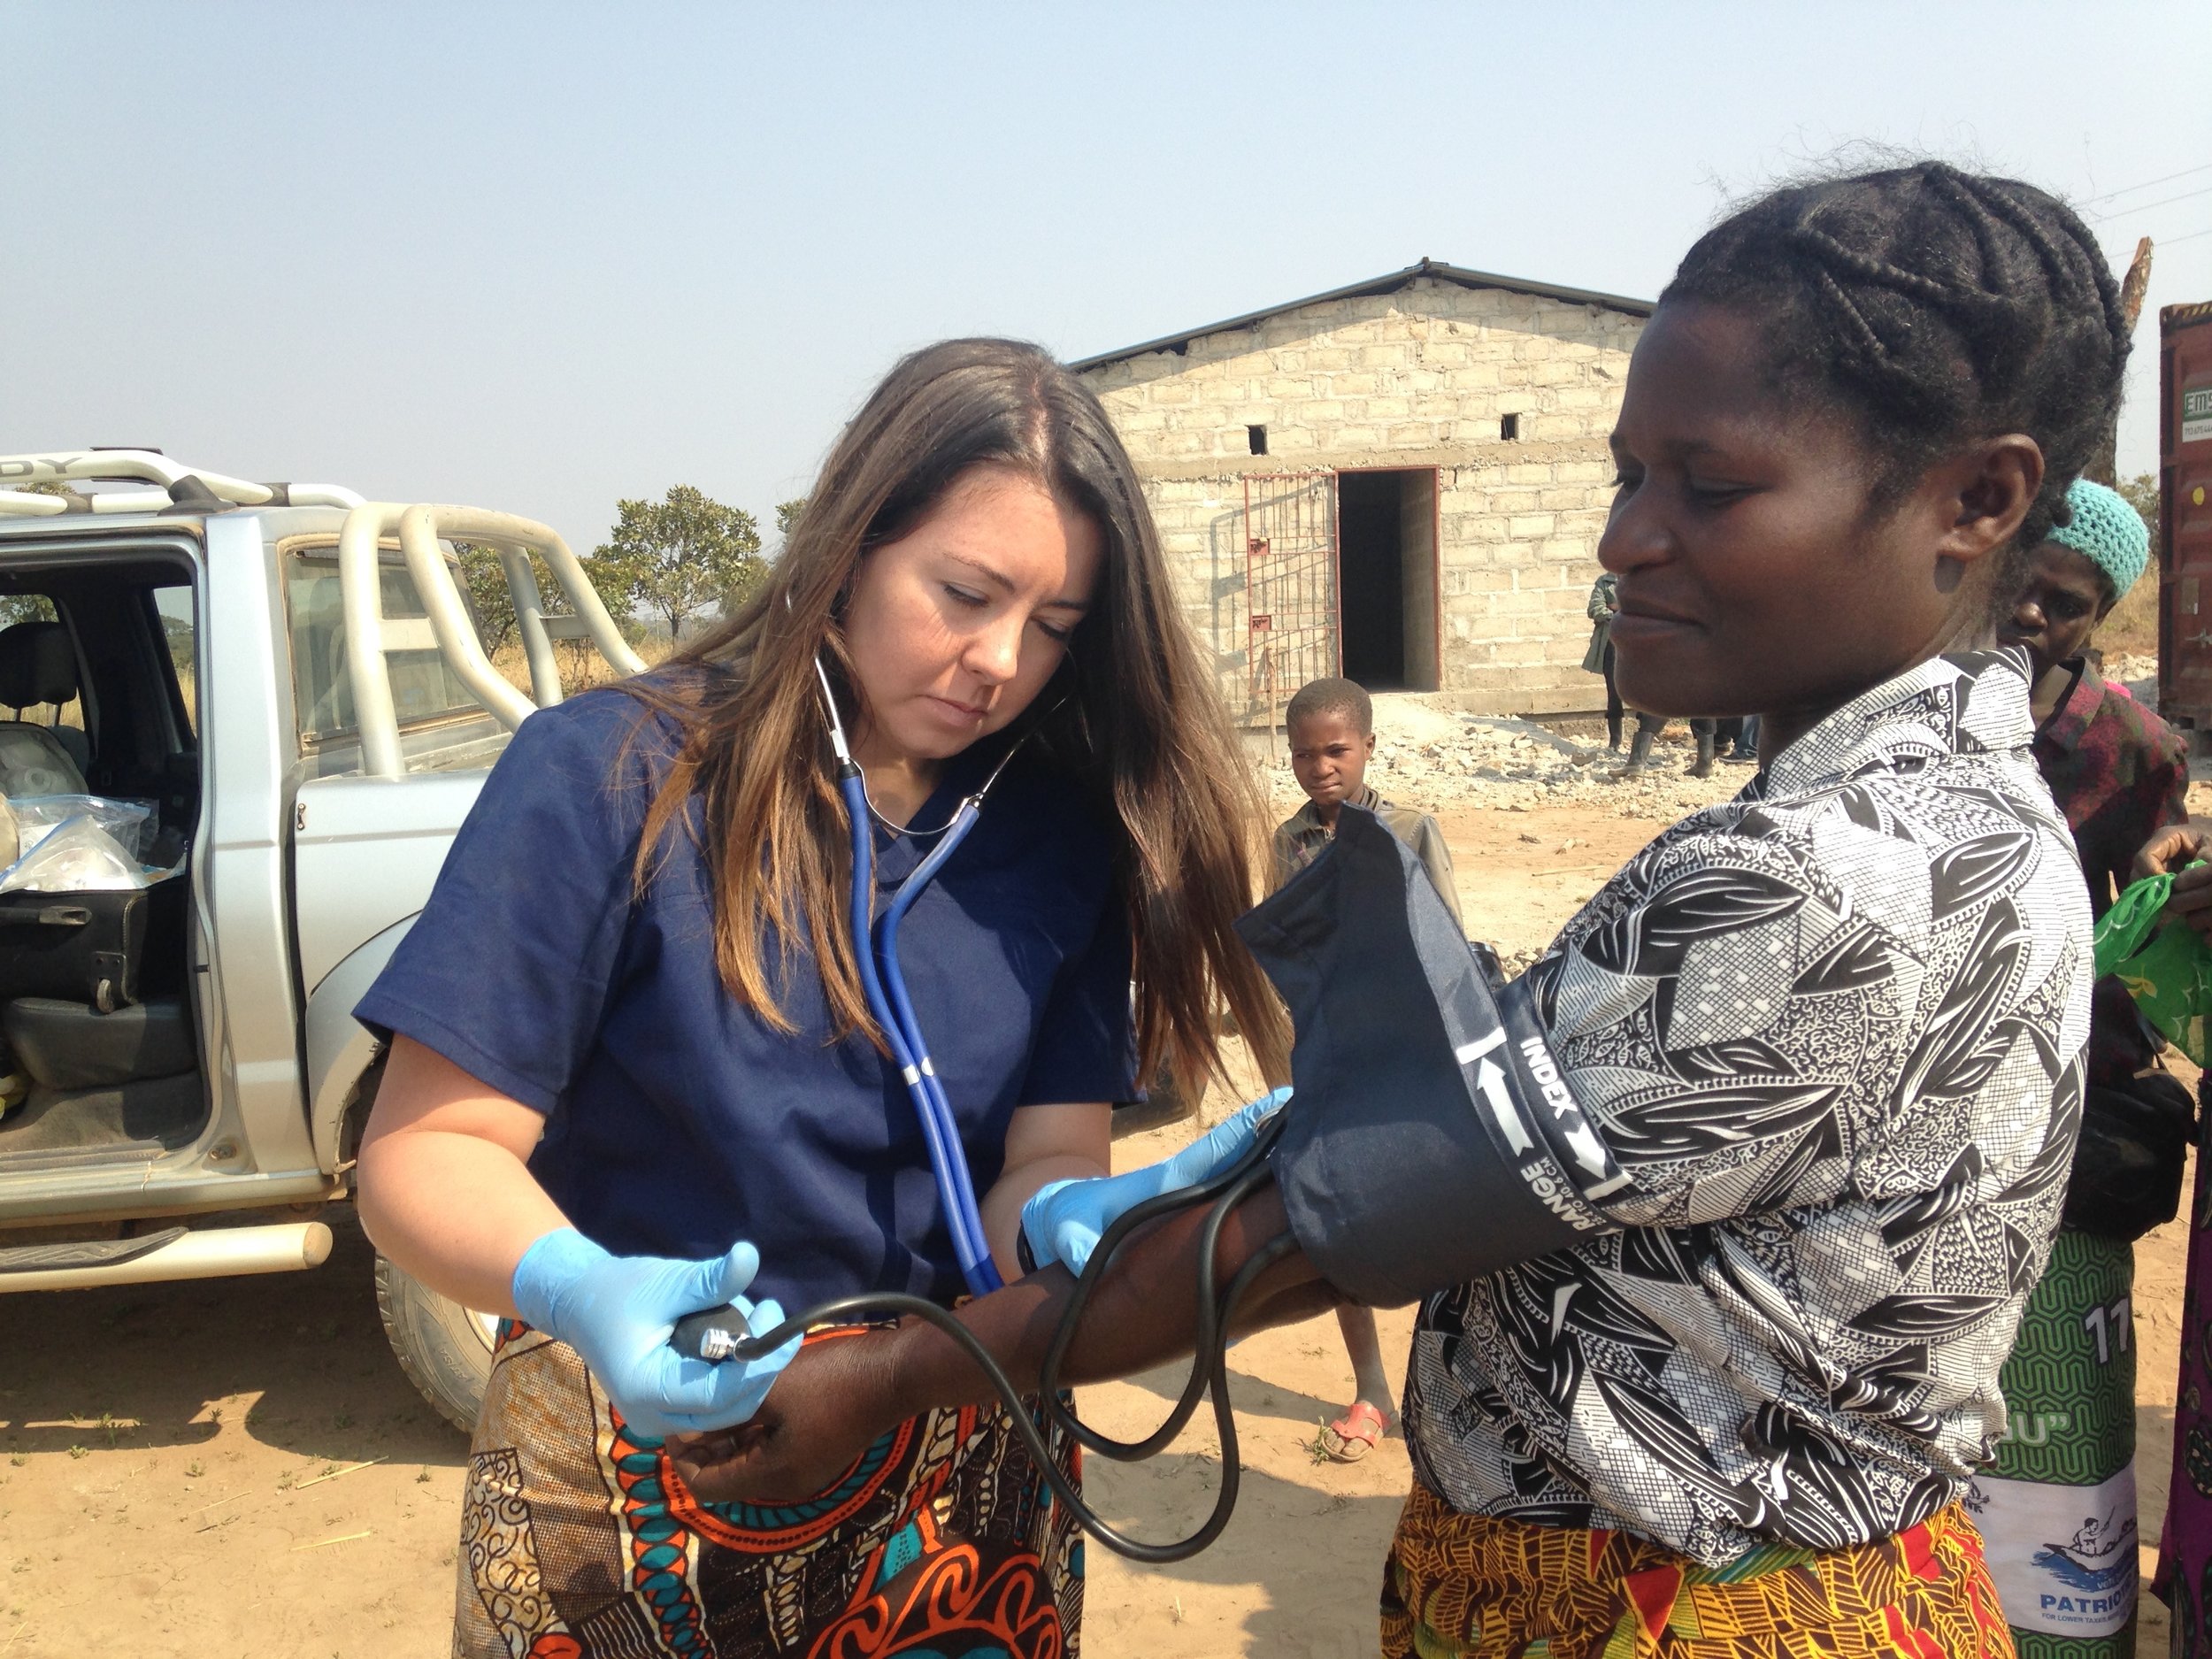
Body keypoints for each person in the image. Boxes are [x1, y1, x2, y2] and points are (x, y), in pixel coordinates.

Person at [676, 162, 2131, 1659]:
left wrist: (881, 1382)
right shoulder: (1986, 819)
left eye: (1710, 486)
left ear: (1977, 500)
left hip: (1674, 1612)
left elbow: (1324, 1231)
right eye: (1628, 475)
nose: (1625, 539)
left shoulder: (1819, 876)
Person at [352, 338, 1291, 1658]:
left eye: (1055, 629)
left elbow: (1040, 1161)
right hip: (645, 1468)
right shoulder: (615, 776)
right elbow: (423, 1151)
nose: (1000, 660)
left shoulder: (1063, 836)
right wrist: (579, 1287)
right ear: (848, 547)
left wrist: (1072, 1212)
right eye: (964, 594)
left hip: (958, 1475)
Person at [1970, 478, 2189, 1659]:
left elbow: (2146, 906)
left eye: (2065, 603)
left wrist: (2163, 877)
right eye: (2023, 585)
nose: (2031, 615)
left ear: (2099, 614)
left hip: (2066, 1100)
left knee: (2054, 1387)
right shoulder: (1923, 702)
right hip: (1931, 1094)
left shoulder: (2131, 746)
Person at [1276, 674, 1460, 1463]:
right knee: (1340, 1221)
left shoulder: (1410, 828)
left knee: (1440, 1218)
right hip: (1332, 1057)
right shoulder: (1289, 840)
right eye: (1303, 755)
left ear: (1368, 747)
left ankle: (1448, 1384)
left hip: (1410, 1057)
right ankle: (1371, 1386)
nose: (1320, 768)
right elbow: (1287, 942)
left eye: (1336, 751)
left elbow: (1449, 940)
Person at [1584, 571, 1624, 750]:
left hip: (1639, 644)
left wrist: (1618, 608)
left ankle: (1644, 737)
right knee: (1614, 691)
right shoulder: (1605, 581)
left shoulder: (1641, 577)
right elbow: (1594, 609)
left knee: (1643, 691)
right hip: (1612, 643)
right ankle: (1615, 741)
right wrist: (1619, 615)